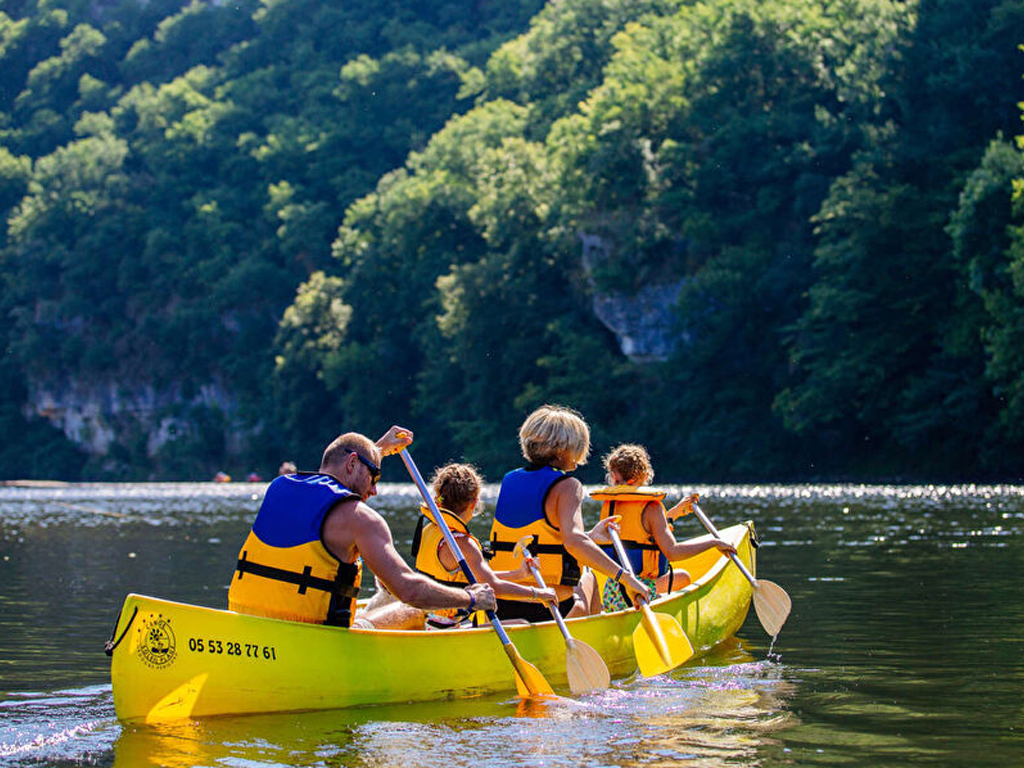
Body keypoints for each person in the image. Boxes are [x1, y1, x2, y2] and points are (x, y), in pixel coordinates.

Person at [227, 427, 495, 630]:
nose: (374, 490)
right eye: (374, 477)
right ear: (353, 464)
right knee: (413, 610)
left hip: (249, 624)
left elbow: (340, 469)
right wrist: (469, 598)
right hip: (315, 638)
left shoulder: (279, 487)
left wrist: (376, 450)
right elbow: (410, 590)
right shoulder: (361, 519)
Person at [487, 404, 649, 622]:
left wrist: (590, 536)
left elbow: (536, 537)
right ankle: (596, 639)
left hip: (503, 605)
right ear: (565, 448)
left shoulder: (509, 480)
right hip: (551, 609)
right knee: (588, 576)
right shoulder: (568, 485)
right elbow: (573, 542)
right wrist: (627, 578)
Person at [592, 443, 736, 612]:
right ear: (643, 476)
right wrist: (713, 543)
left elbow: (641, 531)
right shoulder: (651, 508)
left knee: (679, 577)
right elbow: (673, 552)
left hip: (614, 591)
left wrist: (674, 513)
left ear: (614, 476)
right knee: (684, 577)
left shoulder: (611, 504)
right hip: (639, 592)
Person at [411, 462, 556, 626]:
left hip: (425, 620)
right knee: (521, 624)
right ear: (473, 503)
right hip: (448, 627)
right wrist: (538, 594)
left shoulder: (429, 530)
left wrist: (519, 574)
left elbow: (478, 579)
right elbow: (495, 587)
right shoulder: (463, 543)